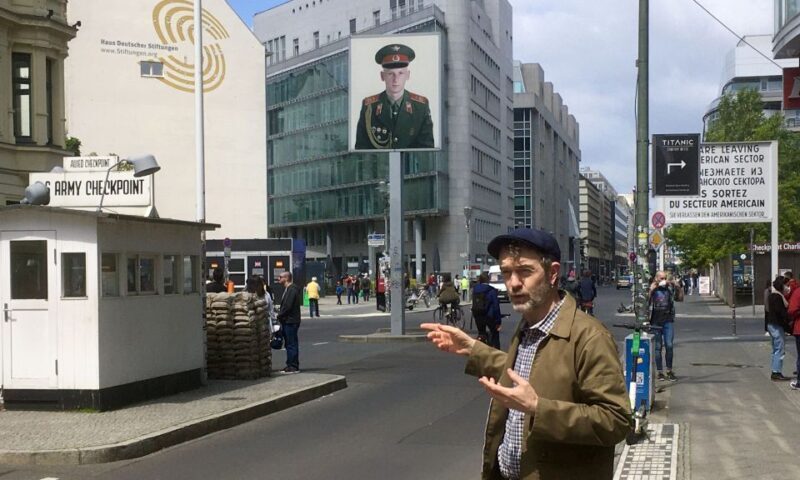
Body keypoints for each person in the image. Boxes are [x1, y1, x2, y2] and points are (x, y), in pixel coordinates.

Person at [420, 227, 631, 479]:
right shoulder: (530, 324)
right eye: (507, 272)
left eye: (525, 271)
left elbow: (616, 421)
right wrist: (472, 348)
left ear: (553, 273)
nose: (514, 283)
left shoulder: (590, 337)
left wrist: (538, 408)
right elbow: (527, 371)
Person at [354, 43, 434, 150]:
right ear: (382, 76)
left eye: (400, 73)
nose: (396, 79)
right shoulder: (369, 107)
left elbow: (427, 149)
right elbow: (361, 148)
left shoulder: (420, 106)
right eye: (391, 74)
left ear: (408, 75)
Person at [648, 270, 678, 381]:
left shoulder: (669, 289)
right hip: (655, 321)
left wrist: (677, 285)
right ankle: (660, 372)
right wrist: (651, 290)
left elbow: (680, 298)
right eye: (661, 278)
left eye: (665, 278)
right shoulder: (652, 288)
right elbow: (644, 301)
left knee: (669, 345)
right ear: (656, 278)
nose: (663, 280)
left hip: (668, 320)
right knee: (658, 347)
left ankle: (669, 370)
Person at [767, 275, 792, 381]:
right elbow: (781, 313)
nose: (788, 287)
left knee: (775, 349)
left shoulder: (772, 295)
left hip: (771, 325)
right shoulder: (778, 297)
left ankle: (775, 370)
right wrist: (789, 325)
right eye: (786, 285)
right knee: (780, 349)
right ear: (781, 286)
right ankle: (776, 372)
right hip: (777, 325)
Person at [277, 271, 302, 374]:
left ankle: (293, 366)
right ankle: (289, 364)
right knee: (288, 343)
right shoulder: (288, 289)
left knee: (291, 344)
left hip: (290, 321)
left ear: (286, 278)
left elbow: (288, 306)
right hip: (288, 320)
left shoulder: (291, 290)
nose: (278, 279)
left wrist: (279, 315)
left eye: (280, 277)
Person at [471, 273, 502, 349]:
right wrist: (498, 321)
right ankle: (497, 351)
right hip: (489, 315)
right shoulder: (491, 290)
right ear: (488, 280)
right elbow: (496, 306)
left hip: (477, 314)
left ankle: (479, 350)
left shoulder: (475, 289)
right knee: (495, 333)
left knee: (481, 333)